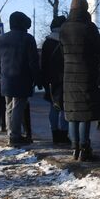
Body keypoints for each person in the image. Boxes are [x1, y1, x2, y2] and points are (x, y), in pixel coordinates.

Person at [60, 0, 100, 162]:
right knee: (85, 113)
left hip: (69, 76)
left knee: (72, 112)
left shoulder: (64, 28)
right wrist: (96, 64)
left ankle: (75, 148)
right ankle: (85, 149)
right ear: (85, 9)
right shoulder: (89, 27)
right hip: (87, 74)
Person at [0, 11, 40, 147]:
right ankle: (15, 136)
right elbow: (33, 62)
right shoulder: (28, 38)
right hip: (22, 78)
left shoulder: (1, 39)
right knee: (18, 107)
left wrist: (2, 73)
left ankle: (10, 133)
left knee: (9, 107)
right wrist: (37, 79)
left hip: (6, 79)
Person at [41, 15, 70, 144]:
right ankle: (64, 134)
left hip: (51, 80)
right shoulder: (67, 41)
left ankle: (54, 133)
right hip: (66, 78)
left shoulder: (47, 42)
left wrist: (43, 81)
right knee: (65, 107)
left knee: (54, 107)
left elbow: (43, 63)